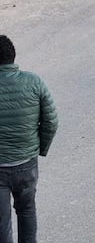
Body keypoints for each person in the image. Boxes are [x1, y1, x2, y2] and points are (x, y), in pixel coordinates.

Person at [0, 35, 58, 243]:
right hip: (26, 164)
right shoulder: (34, 82)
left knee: (1, 224)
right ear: (13, 57)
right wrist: (38, 148)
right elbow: (51, 121)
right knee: (26, 211)